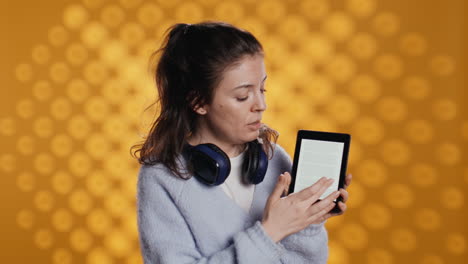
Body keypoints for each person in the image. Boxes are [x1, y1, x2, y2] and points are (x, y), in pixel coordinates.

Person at [133, 21, 352, 264]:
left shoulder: (273, 158)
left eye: (262, 89)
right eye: (243, 96)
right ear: (198, 102)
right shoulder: (162, 178)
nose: (261, 105)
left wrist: (310, 220)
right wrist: (269, 233)